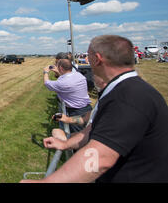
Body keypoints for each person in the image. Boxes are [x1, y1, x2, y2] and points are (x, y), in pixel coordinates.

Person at [22, 35, 168, 183]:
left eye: (88, 57)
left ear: (97, 59)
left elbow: (101, 157)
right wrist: (66, 144)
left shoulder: (127, 97)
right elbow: (92, 129)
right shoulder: (119, 90)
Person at [51, 74, 106, 142]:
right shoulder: (104, 98)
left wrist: (66, 139)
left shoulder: (115, 101)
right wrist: (68, 119)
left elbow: (98, 139)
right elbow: (85, 119)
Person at [43, 59, 92, 134]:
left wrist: (46, 72)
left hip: (75, 112)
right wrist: (58, 71)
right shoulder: (79, 75)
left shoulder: (62, 83)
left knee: (77, 136)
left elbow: (47, 83)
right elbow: (66, 78)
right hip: (87, 109)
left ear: (61, 68)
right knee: (88, 132)